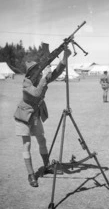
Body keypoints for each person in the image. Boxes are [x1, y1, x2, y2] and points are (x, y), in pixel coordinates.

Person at [14, 48, 71, 188]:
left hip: (35, 115)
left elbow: (56, 73)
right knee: (27, 145)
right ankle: (31, 174)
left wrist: (65, 57)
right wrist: (45, 77)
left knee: (42, 140)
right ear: (31, 73)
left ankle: (47, 166)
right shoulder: (26, 84)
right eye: (37, 70)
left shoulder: (39, 79)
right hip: (23, 117)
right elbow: (37, 93)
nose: (39, 72)